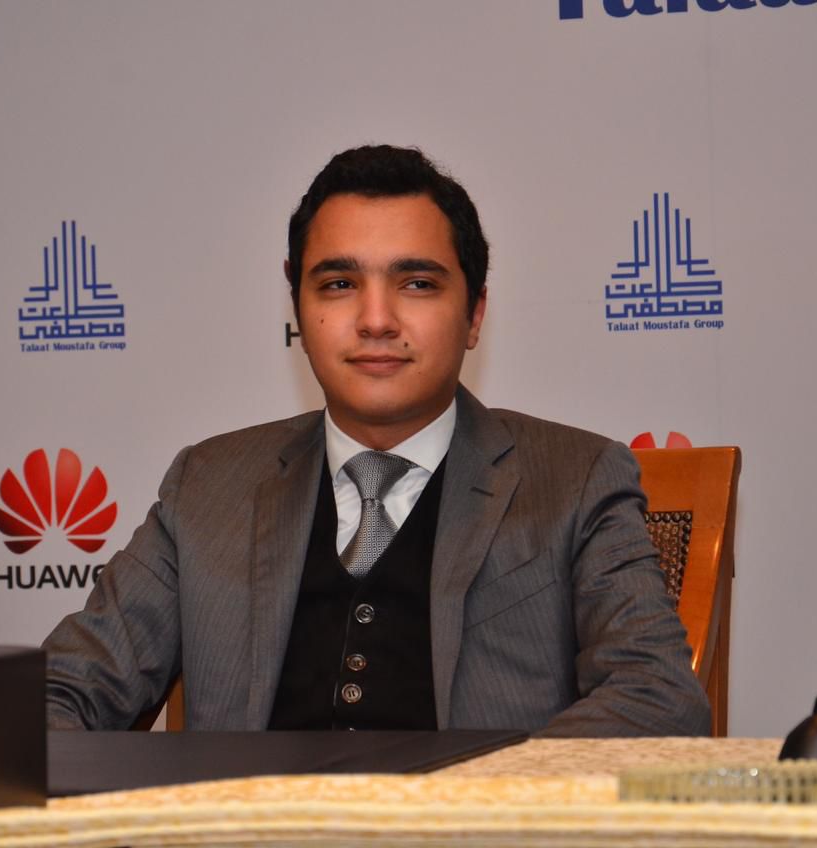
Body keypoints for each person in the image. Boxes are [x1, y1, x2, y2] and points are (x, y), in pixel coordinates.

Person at [43, 145, 710, 736]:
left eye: (417, 284)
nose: (376, 320)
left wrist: (477, 797)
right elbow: (62, 691)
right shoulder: (207, 487)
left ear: (474, 313)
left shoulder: (577, 479)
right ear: (299, 308)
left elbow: (656, 697)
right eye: (339, 284)